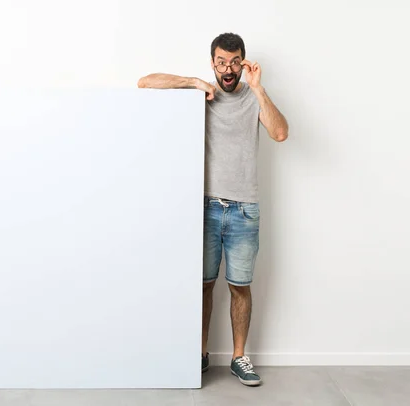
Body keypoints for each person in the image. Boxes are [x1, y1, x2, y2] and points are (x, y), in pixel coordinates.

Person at [137, 32, 288, 387]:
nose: (228, 69)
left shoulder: (253, 98)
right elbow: (144, 83)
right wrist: (192, 82)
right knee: (203, 285)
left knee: (240, 287)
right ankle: (200, 354)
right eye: (221, 62)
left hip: (244, 209)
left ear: (244, 62)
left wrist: (260, 88)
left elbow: (280, 133)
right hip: (203, 207)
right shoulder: (202, 94)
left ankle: (239, 357)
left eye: (235, 62)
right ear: (213, 63)